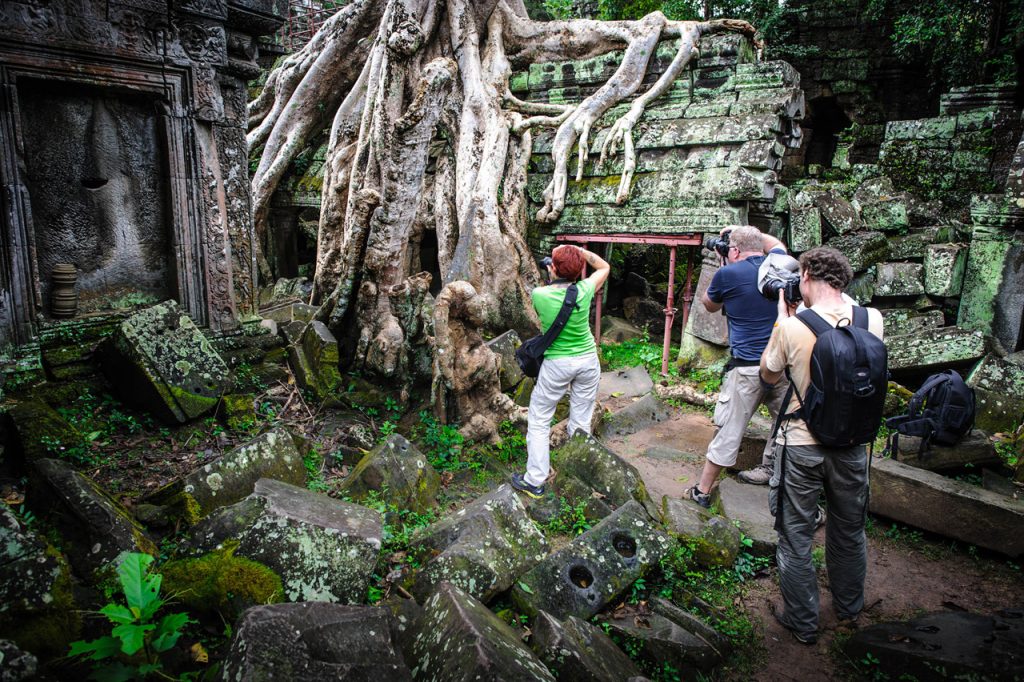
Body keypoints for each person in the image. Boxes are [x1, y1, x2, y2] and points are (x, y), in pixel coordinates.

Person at [760, 246, 884, 645]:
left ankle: (803, 622)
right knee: (849, 530)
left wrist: (781, 323)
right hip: (852, 444)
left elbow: (768, 375)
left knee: (795, 535)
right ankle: (849, 608)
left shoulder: (793, 327)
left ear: (806, 275)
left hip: (802, 444)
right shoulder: (871, 319)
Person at [686, 225, 790, 509]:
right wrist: (744, 234)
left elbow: (709, 305)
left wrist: (723, 265)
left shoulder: (728, 274)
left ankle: (702, 490)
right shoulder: (779, 265)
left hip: (746, 368)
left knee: (729, 429)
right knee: (786, 425)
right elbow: (776, 244)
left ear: (734, 250)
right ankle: (772, 471)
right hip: (782, 365)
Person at [511, 245, 610, 498]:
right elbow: (604, 266)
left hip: (558, 364)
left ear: (552, 268)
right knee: (581, 421)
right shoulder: (585, 289)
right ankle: (578, 473)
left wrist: (555, 267)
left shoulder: (540, 295)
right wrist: (579, 252)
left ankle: (535, 479)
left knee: (540, 419)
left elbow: (548, 292)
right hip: (588, 361)